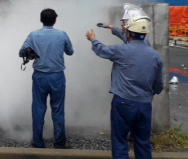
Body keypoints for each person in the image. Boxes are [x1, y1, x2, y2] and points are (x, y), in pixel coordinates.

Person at [86, 15, 163, 159]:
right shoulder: (155, 56)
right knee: (142, 142)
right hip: (144, 105)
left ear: (128, 33)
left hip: (123, 103)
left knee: (120, 140)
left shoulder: (121, 50)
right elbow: (158, 85)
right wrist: (150, 94)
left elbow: (101, 50)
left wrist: (92, 39)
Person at [19, 8, 74, 149]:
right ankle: (59, 143)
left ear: (40, 20)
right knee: (58, 110)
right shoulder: (62, 34)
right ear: (55, 20)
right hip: (57, 76)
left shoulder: (33, 35)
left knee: (38, 109)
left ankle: (38, 142)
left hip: (39, 76)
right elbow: (70, 52)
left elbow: (21, 52)